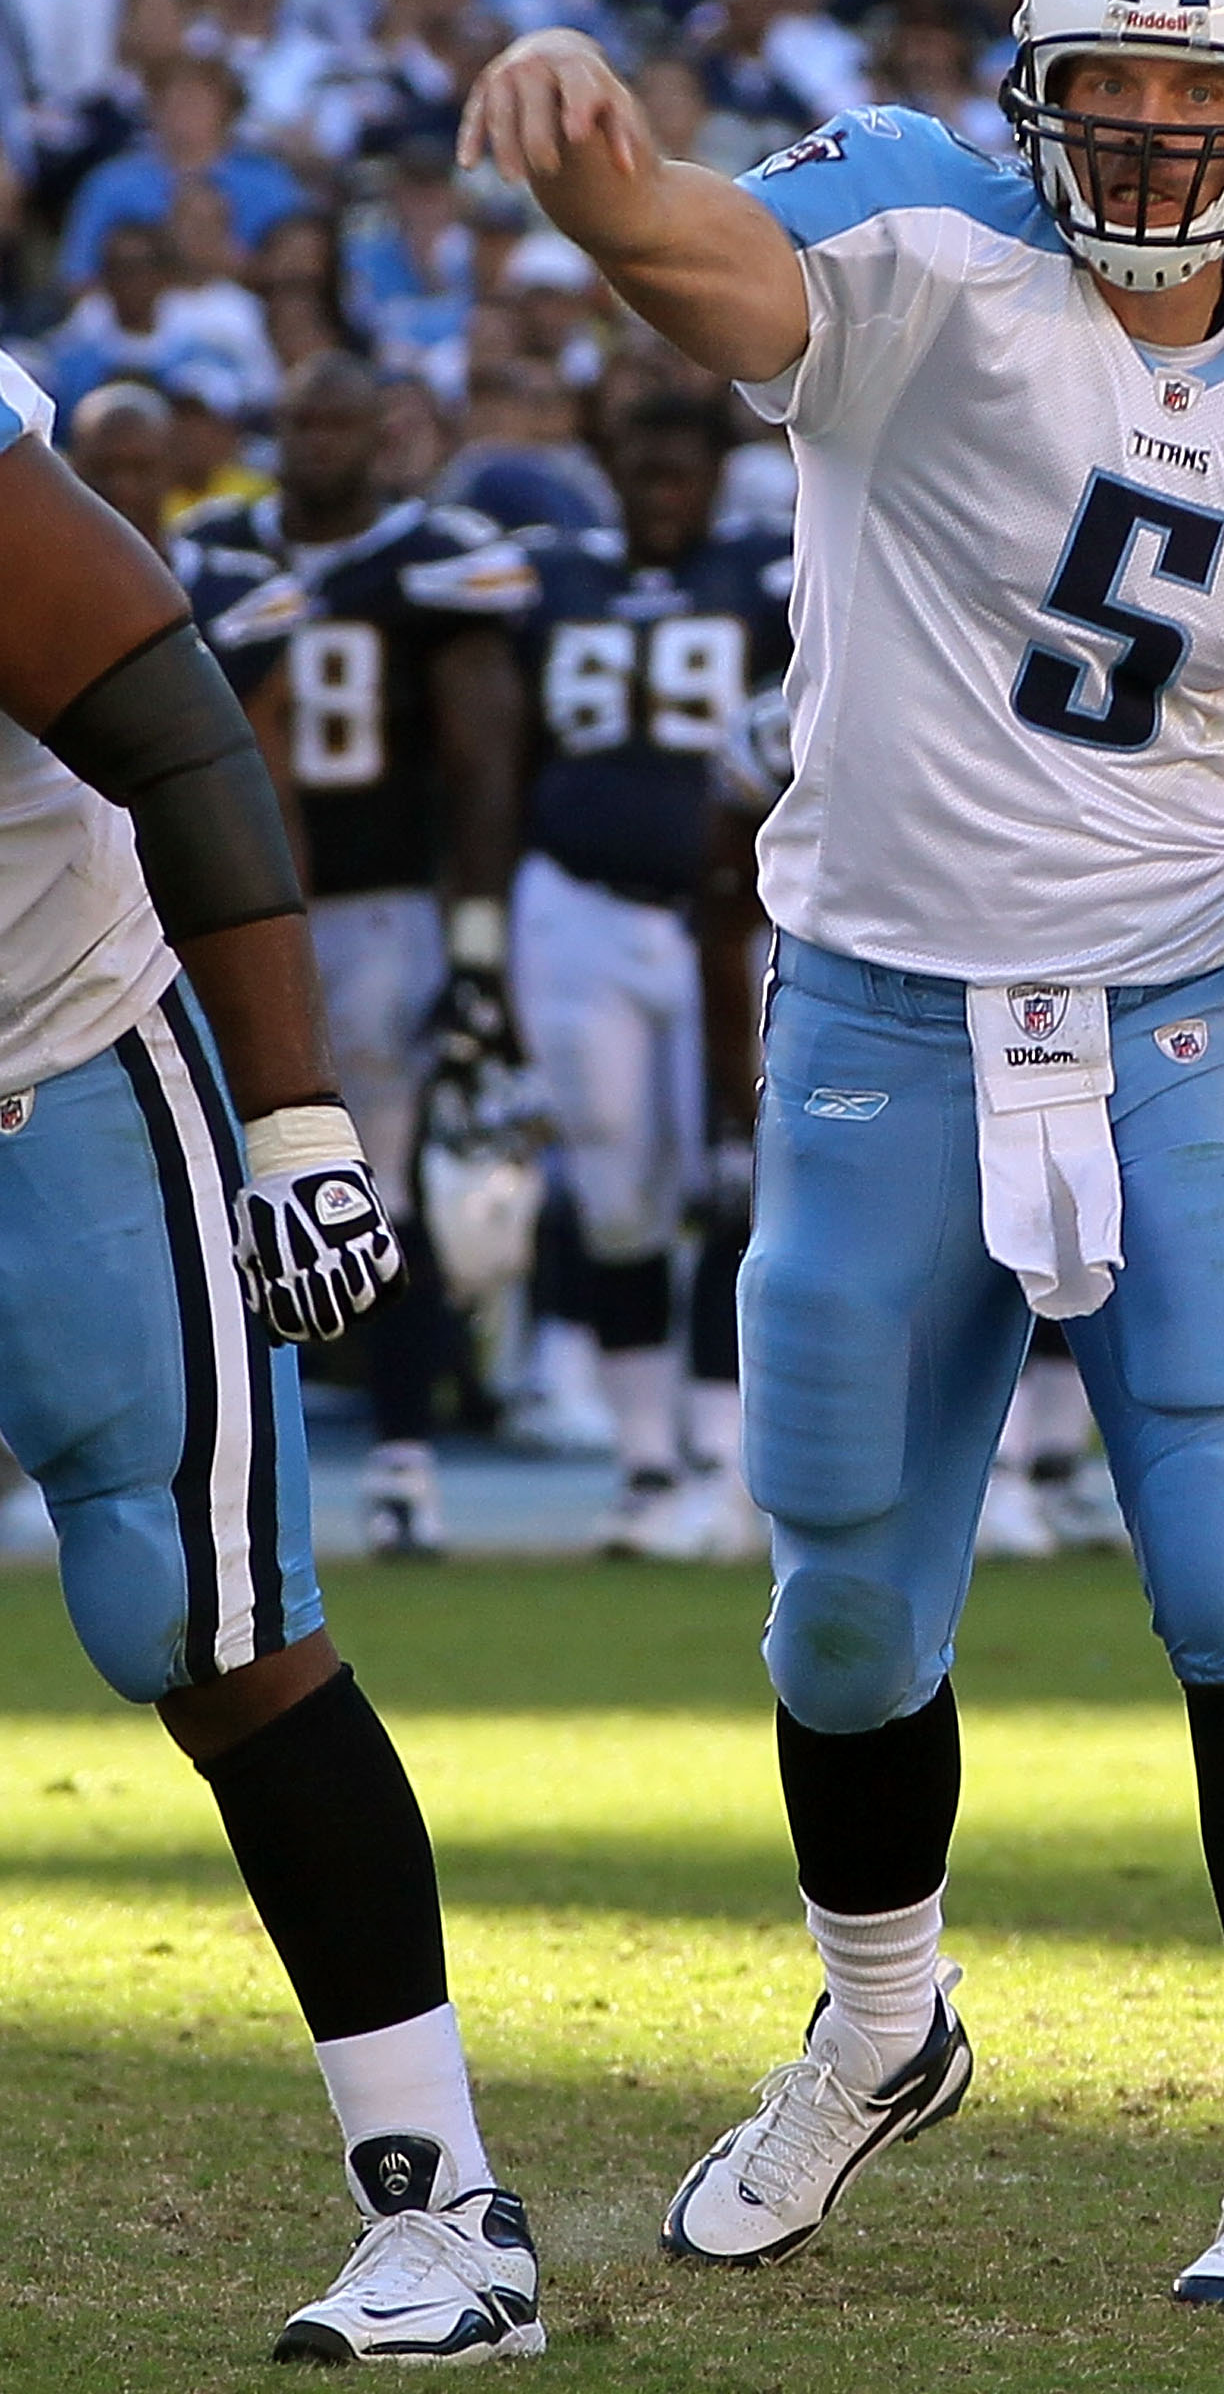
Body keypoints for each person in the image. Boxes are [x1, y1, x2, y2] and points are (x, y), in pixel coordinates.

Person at [458, 0, 1224, 2307]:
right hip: (882, 1022)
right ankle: (880, 2024)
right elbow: (710, 264)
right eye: (1115, 89)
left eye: (1201, 99)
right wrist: (586, 157)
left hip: (1174, 1020)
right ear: (1035, 90)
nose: (1154, 141)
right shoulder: (924, 232)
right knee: (842, 1592)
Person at [0, 356, 542, 2361]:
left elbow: (180, 732)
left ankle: (444, 2214)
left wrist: (297, 1124)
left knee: (198, 1614)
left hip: (49, 1061)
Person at [182, 356, 534, 1555]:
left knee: (367, 1195)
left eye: (339, 413)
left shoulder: (434, 556)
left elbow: (485, 764)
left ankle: (400, 1462)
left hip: (377, 911)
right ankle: (233, 1459)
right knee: (213, 1185)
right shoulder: (214, 547)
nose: (317, 434)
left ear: (386, 431)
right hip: (213, 903)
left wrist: (474, 947)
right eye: (300, 412)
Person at [512, 390, 791, 1560]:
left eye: (679, 470)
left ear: (714, 479)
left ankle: (729, 1464)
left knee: (740, 1180)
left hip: (734, 917)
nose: (659, 492)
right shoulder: (544, 578)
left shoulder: (770, 575)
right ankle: (643, 1467)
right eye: (640, 468)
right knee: (616, 1185)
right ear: (607, 468)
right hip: (578, 905)